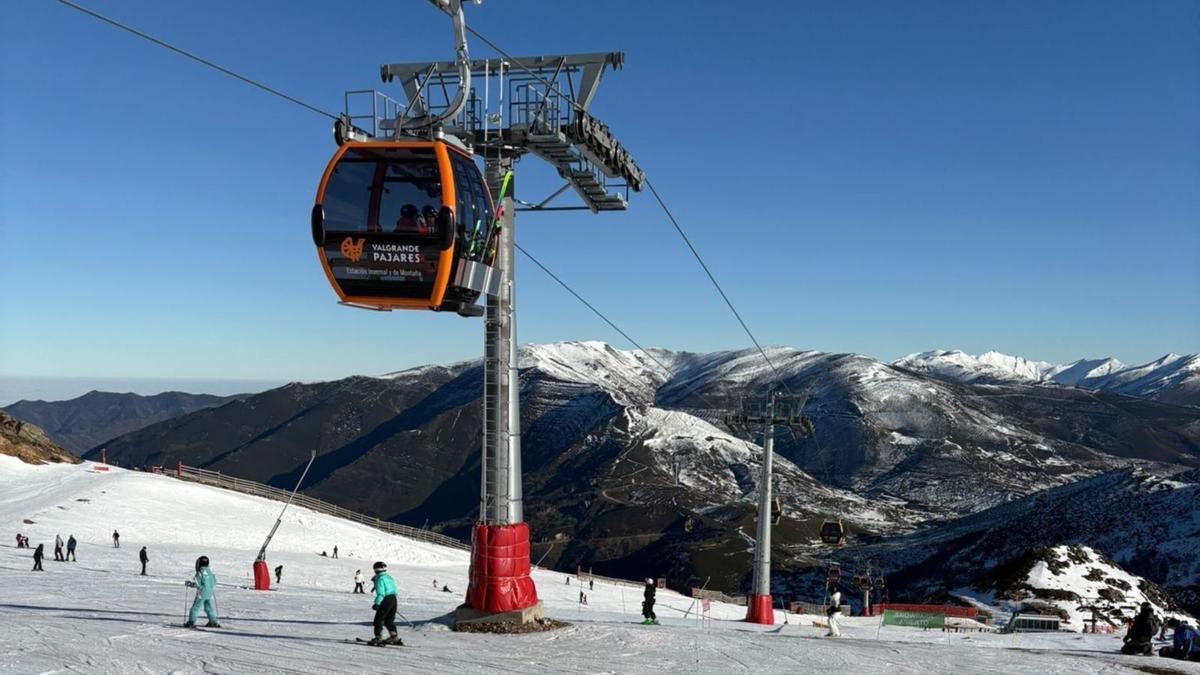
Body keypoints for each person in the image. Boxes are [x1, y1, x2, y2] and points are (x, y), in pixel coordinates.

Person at [369, 561, 401, 646]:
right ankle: (394, 637)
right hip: (393, 598)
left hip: (386, 599)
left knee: (379, 619)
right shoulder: (389, 577)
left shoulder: (379, 579)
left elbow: (381, 593)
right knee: (389, 620)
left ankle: (378, 638)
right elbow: (395, 590)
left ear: (375, 569)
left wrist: (377, 603)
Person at [185, 556, 220, 628]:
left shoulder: (200, 572)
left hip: (202, 593)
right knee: (208, 607)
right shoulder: (210, 572)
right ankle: (213, 621)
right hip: (209, 592)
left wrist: (190, 584)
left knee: (196, 607)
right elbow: (214, 582)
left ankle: (191, 622)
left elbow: (198, 583)